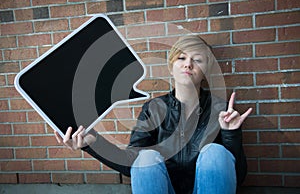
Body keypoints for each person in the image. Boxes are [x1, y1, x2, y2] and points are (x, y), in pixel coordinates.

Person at [55, 35, 252, 194]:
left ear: (206, 69)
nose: (188, 64)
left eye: (197, 60)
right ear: (171, 65)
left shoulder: (221, 110)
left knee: (215, 152)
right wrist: (92, 143)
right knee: (146, 157)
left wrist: (231, 134)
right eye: (181, 58)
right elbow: (133, 163)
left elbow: (237, 175)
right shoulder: (154, 108)